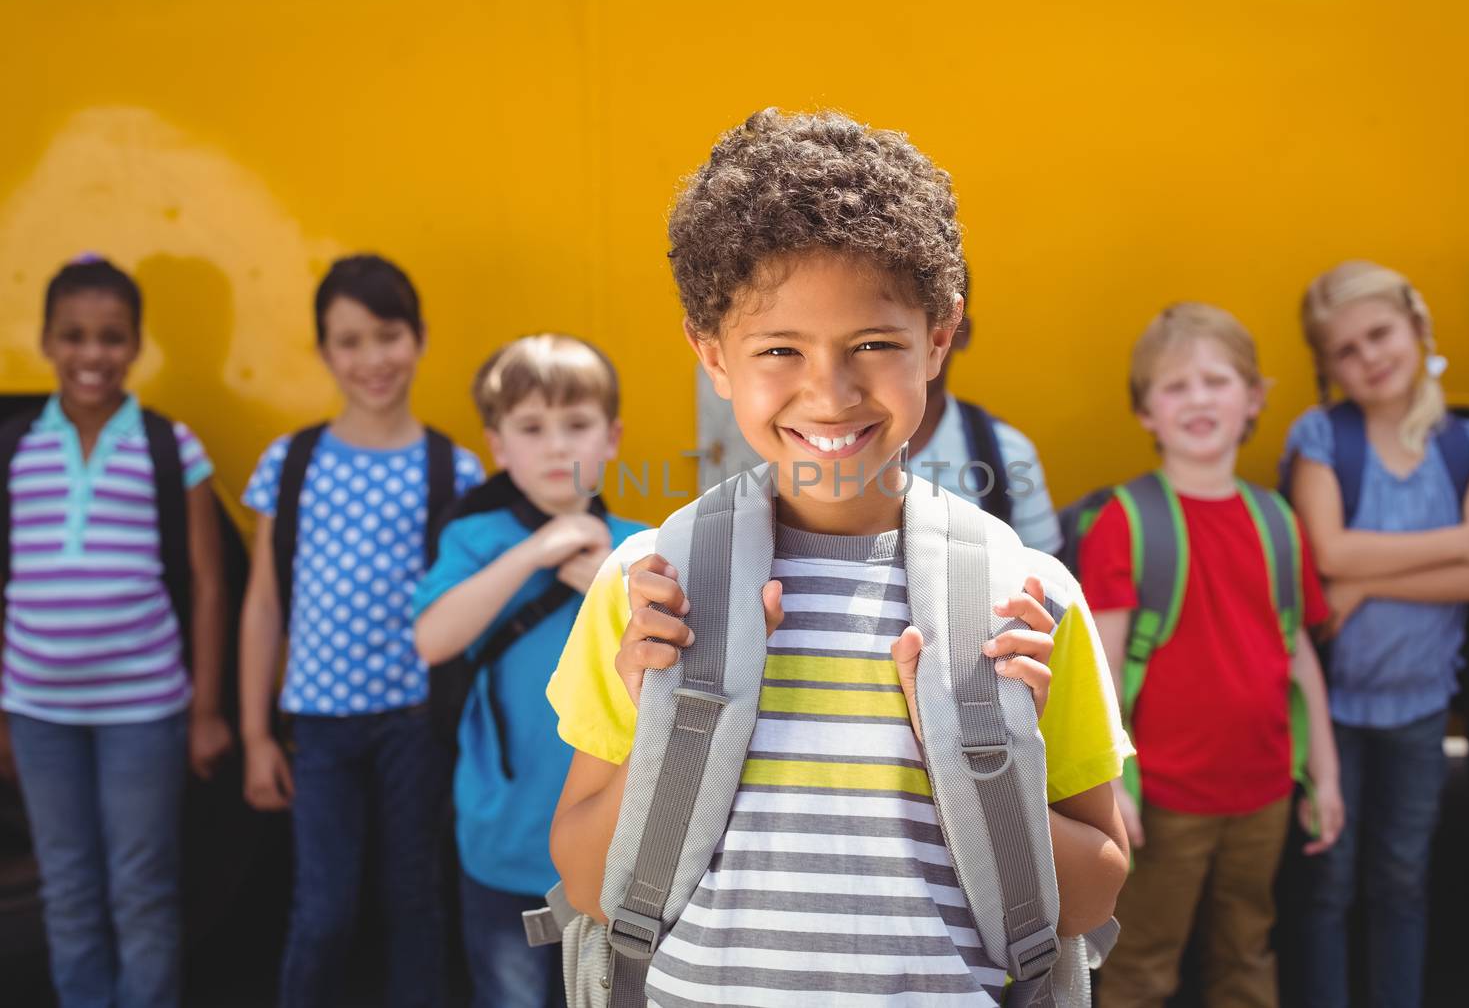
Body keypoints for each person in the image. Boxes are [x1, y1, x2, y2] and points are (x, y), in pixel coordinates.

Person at [546, 108, 1131, 1005]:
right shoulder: (649, 588)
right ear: (712, 354)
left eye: (874, 344)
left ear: (938, 339)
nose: (830, 389)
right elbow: (590, 884)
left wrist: (979, 757)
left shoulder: (1025, 598)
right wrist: (660, 718)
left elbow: (1092, 890)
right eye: (780, 349)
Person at [237, 254, 483, 1008]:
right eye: (349, 341)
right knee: (324, 910)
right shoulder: (292, 461)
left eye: (388, 335)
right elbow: (264, 603)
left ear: (420, 337)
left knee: (413, 903)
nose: (372, 359)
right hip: (318, 726)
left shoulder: (456, 470)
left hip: (415, 722)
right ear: (322, 351)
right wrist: (256, 734)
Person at [1084, 302, 1342, 1008]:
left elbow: (1298, 657)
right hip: (1163, 800)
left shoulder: (1277, 520)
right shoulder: (1125, 522)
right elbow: (1101, 673)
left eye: (1217, 380)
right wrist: (1110, 790)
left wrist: (1325, 771)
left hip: (1263, 792)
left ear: (1254, 397)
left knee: (1248, 954)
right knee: (1141, 964)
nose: (1198, 398)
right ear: (1146, 411)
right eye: (1175, 386)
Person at [0, 255, 231, 1008]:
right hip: (37, 711)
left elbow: (207, 581)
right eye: (72, 336)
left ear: (135, 345)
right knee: (67, 888)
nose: (90, 354)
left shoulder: (170, 446)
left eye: (110, 337)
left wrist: (202, 711)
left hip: (145, 710)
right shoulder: (16, 448)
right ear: (45, 341)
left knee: (142, 889)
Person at [1282, 260, 1469, 1008]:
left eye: (1380, 334)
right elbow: (1330, 553)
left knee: (1403, 878)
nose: (1369, 357)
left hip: (1419, 707)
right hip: (1333, 707)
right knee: (1328, 880)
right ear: (1328, 367)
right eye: (1346, 350)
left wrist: (1369, 578)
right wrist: (1459, 542)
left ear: (1418, 329)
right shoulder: (1322, 435)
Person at [414, 334, 647, 1008]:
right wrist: (536, 552)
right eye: (531, 427)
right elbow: (432, 639)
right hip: (502, 841)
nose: (555, 446)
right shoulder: (474, 540)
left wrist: (608, 579)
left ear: (612, 436)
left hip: (617, 849)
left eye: (576, 424)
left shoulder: (644, 545)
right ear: (497, 444)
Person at [904, 264, 1064, 555]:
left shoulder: (1006, 455)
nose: (915, 353)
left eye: (934, 333)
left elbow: (1047, 581)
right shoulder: (818, 444)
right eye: (875, 344)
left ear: (958, 333)